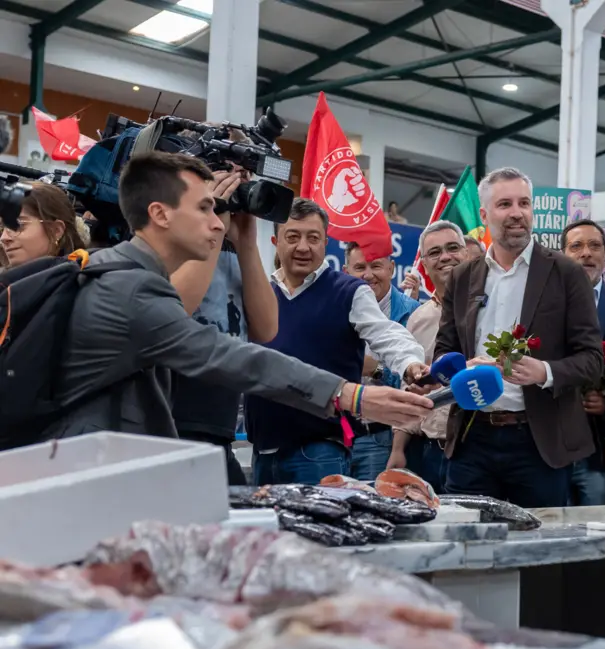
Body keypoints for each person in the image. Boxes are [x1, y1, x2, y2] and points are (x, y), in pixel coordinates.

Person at [35, 152, 431, 443]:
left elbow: (262, 335)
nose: (216, 221)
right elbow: (231, 356)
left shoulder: (121, 270)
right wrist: (350, 394)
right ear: (160, 214)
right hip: (92, 466)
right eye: (207, 207)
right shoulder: (130, 287)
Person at [434, 167, 603, 508]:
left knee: (539, 549)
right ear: (484, 215)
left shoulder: (566, 273)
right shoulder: (464, 276)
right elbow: (444, 351)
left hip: (539, 443)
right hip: (472, 438)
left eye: (524, 203)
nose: (517, 213)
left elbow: (592, 360)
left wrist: (543, 372)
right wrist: (464, 370)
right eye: (505, 204)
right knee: (467, 546)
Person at [244, 199, 430, 485]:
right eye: (292, 237)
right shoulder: (260, 292)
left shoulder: (348, 291)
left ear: (325, 242)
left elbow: (385, 333)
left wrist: (411, 364)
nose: (303, 246)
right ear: (275, 241)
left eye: (313, 237)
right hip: (262, 451)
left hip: (319, 451)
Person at [169, 169, 278, 486]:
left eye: (242, 177)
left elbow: (267, 329)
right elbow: (173, 312)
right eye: (226, 174)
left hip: (219, 426)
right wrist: (211, 226)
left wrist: (246, 242)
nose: (234, 186)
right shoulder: (174, 243)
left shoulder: (230, 247)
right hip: (173, 424)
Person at [388, 220, 470, 492]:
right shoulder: (417, 319)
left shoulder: (488, 308)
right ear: (423, 263)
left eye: (452, 248)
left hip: (475, 448)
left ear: (466, 254)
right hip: (428, 451)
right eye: (434, 252)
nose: (445, 257)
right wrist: (398, 449)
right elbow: (409, 389)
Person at [341, 240, 423, 480]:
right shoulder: (337, 308)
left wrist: (376, 369)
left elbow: (419, 383)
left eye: (376, 266)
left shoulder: (413, 312)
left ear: (392, 268)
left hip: (384, 438)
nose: (368, 275)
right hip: (338, 436)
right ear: (346, 272)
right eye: (359, 267)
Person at [562, 218, 605, 506]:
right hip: (550, 444)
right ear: (562, 253)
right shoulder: (542, 303)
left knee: (599, 528)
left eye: (594, 246)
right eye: (576, 246)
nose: (586, 253)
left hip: (599, 448)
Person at [1, 183, 88, 268]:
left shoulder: (82, 280)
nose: (3, 238)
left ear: (56, 230)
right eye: (1, 229)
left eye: (18, 225)